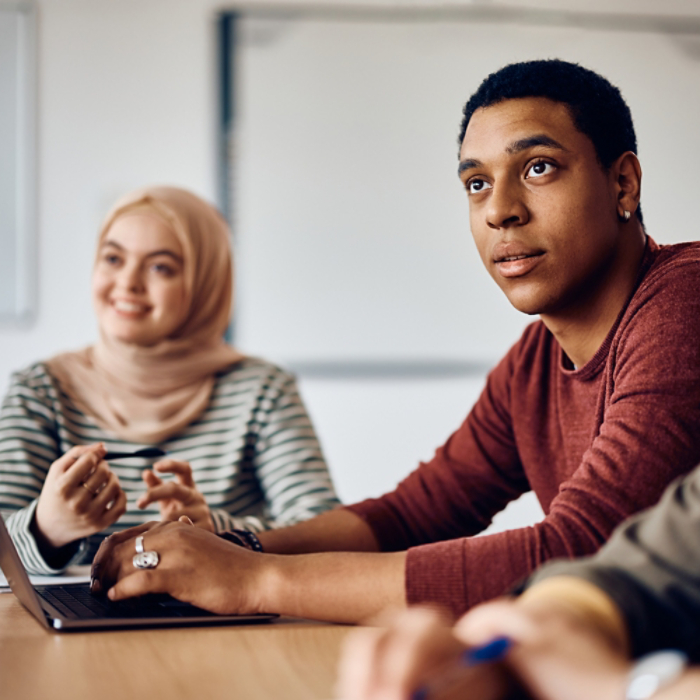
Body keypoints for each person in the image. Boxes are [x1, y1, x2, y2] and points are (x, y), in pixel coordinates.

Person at [89, 59, 700, 624]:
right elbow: (416, 513)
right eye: (477, 183)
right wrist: (234, 547)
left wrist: (257, 580)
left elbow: (582, 550)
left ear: (623, 184)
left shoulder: (685, 303)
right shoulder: (534, 361)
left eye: (537, 168)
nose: (500, 211)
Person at [0, 185, 339, 575]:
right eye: (113, 258)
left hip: (225, 627)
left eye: (160, 267)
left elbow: (325, 531)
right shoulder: (40, 391)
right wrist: (47, 528)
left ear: (204, 284)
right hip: (66, 631)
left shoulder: (263, 390)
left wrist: (219, 533)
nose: (128, 282)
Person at [335, 461, 700, 700]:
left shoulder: (672, 350)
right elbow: (646, 571)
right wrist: (543, 623)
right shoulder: (534, 357)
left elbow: (569, 542)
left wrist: (617, 689)